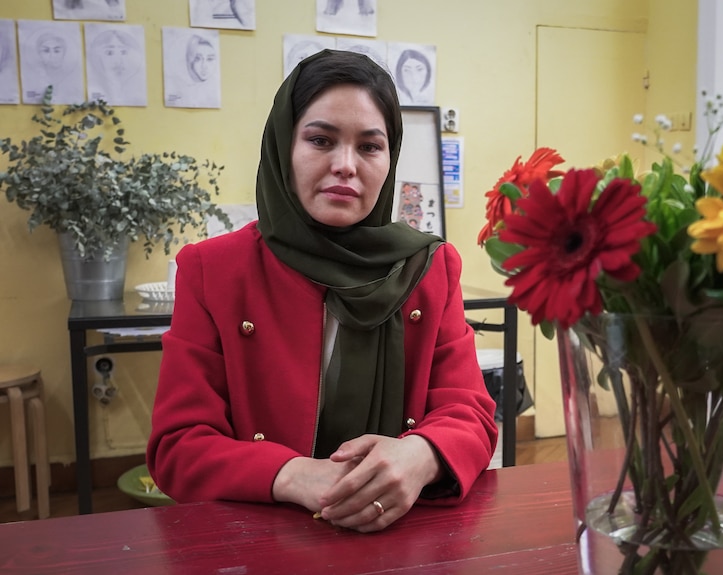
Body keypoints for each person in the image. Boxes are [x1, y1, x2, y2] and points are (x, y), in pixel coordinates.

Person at [146, 49, 498, 533]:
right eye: (320, 140)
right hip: (262, 538)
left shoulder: (428, 268)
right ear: (283, 148)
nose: (346, 166)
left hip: (400, 538)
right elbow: (178, 444)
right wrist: (292, 475)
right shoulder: (214, 269)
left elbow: (470, 414)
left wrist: (420, 455)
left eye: (370, 147)